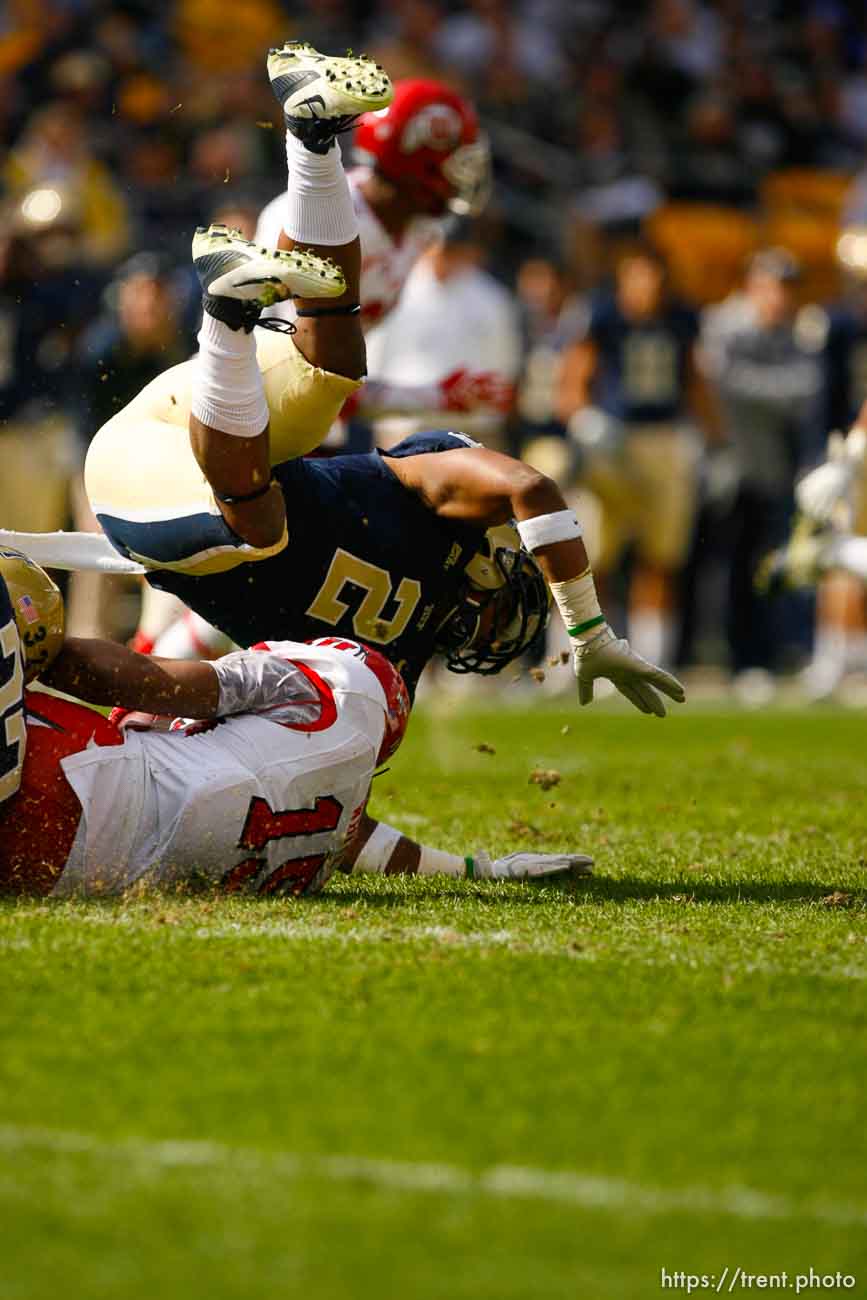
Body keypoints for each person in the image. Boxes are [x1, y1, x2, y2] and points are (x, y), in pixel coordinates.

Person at [0, 550, 592, 897]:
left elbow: (154, 684)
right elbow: (375, 848)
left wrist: (41, 648)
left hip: (75, 782)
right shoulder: (327, 825)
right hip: (52, 869)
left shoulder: (341, 683)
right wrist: (482, 870)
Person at [554, 242, 716, 668]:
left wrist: (713, 440)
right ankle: (579, 653)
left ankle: (652, 656)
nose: (649, 286)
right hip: (613, 439)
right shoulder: (603, 316)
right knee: (592, 553)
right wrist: (583, 418)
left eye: (656, 276)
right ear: (624, 277)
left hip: (665, 438)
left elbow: (696, 382)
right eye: (640, 275)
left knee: (660, 553)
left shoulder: (682, 318)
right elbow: (573, 377)